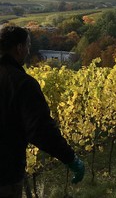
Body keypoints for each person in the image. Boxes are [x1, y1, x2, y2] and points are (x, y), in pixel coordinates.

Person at [0, 25, 85, 198]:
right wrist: (70, 159)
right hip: (4, 175)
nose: (28, 50)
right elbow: (40, 130)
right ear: (19, 48)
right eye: (28, 45)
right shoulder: (22, 83)